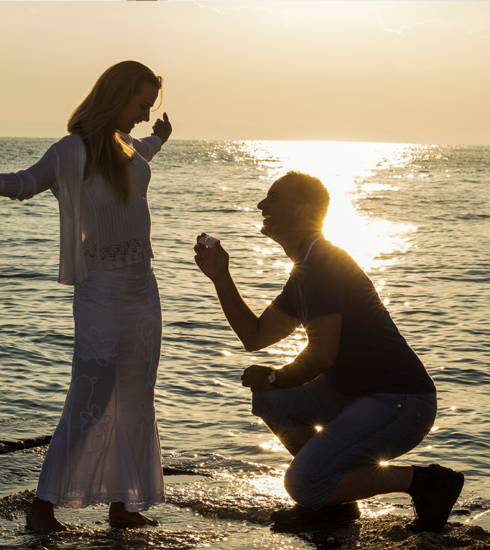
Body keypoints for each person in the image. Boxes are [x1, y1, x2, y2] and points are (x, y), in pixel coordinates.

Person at [194, 170, 464, 534]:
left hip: (400, 401)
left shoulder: (321, 263)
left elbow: (323, 355)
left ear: (303, 211)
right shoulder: (304, 268)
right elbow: (255, 336)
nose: (262, 205)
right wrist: (220, 276)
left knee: (301, 484)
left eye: (273, 198)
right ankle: (335, 501)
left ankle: (425, 483)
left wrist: (275, 376)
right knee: (271, 401)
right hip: (354, 394)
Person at [0, 60, 172, 533]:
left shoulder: (128, 146)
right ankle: (44, 505)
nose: (142, 115)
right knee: (91, 395)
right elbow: (24, 184)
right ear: (116, 97)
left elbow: (146, 151)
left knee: (137, 394)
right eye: (140, 105)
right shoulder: (70, 151)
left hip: (143, 289)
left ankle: (124, 502)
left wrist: (162, 134)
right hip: (100, 291)